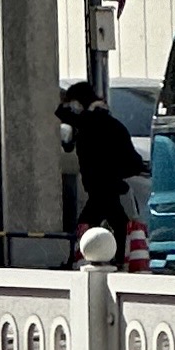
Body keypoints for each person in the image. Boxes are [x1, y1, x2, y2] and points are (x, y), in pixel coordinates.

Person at [58, 80, 144, 244]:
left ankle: (82, 252)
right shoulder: (111, 123)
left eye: (72, 103)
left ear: (78, 102)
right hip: (110, 184)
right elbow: (133, 160)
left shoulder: (88, 123)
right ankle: (121, 251)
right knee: (114, 219)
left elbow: (62, 114)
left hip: (101, 185)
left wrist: (67, 105)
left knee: (92, 222)